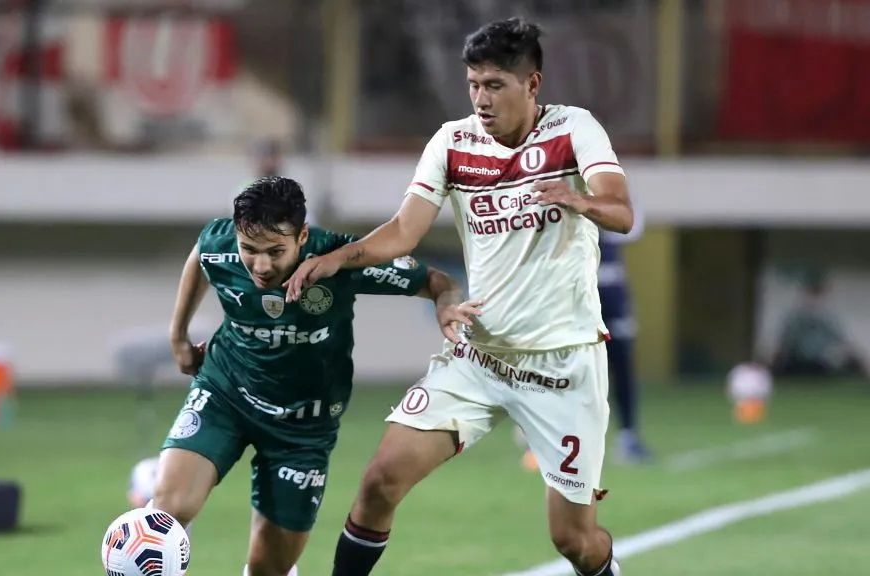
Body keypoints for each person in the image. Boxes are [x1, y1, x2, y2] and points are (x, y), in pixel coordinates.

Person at [285, 18, 633, 576]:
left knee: (574, 539)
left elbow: (621, 210)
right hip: (479, 357)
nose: (480, 98)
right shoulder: (453, 141)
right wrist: (337, 259)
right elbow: (404, 230)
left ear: (533, 84)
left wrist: (579, 199)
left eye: (495, 85)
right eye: (473, 84)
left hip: (563, 366)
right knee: (380, 481)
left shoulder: (575, 130)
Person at [150, 176, 473, 576]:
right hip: (226, 393)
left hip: (302, 428)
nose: (261, 265)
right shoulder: (221, 245)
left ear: (302, 236)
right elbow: (202, 254)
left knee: (269, 568)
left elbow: (438, 281)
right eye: (249, 249)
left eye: (275, 251)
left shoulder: (340, 257)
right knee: (163, 516)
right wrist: (178, 335)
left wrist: (446, 304)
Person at [522, 208, 650, 470]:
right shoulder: (562, 224)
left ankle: (628, 436)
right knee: (563, 372)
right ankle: (549, 440)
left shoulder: (613, 224)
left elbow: (632, 224)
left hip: (613, 308)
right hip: (575, 311)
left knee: (620, 367)